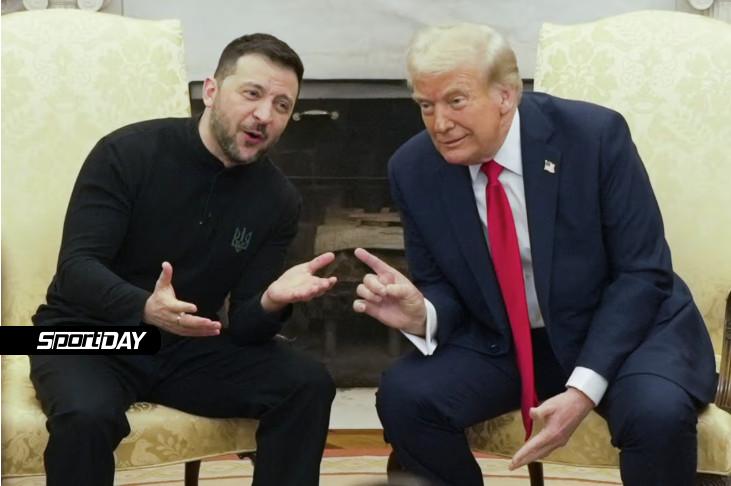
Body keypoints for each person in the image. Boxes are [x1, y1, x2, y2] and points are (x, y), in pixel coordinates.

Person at [352, 23, 717, 486]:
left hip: (622, 330)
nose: (439, 123)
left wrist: (582, 390)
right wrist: (423, 314)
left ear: (505, 95)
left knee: (656, 413)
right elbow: (440, 286)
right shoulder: (414, 168)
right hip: (506, 338)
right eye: (426, 105)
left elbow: (643, 274)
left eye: (456, 101)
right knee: (406, 397)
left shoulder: (594, 137)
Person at [30, 33, 337, 486]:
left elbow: (246, 328)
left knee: (307, 384)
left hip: (185, 345)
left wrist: (271, 301)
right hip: (88, 334)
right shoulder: (127, 152)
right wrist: (144, 307)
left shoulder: (277, 199)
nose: (264, 115)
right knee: (86, 415)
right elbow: (77, 269)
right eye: (252, 93)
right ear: (211, 91)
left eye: (281, 105)